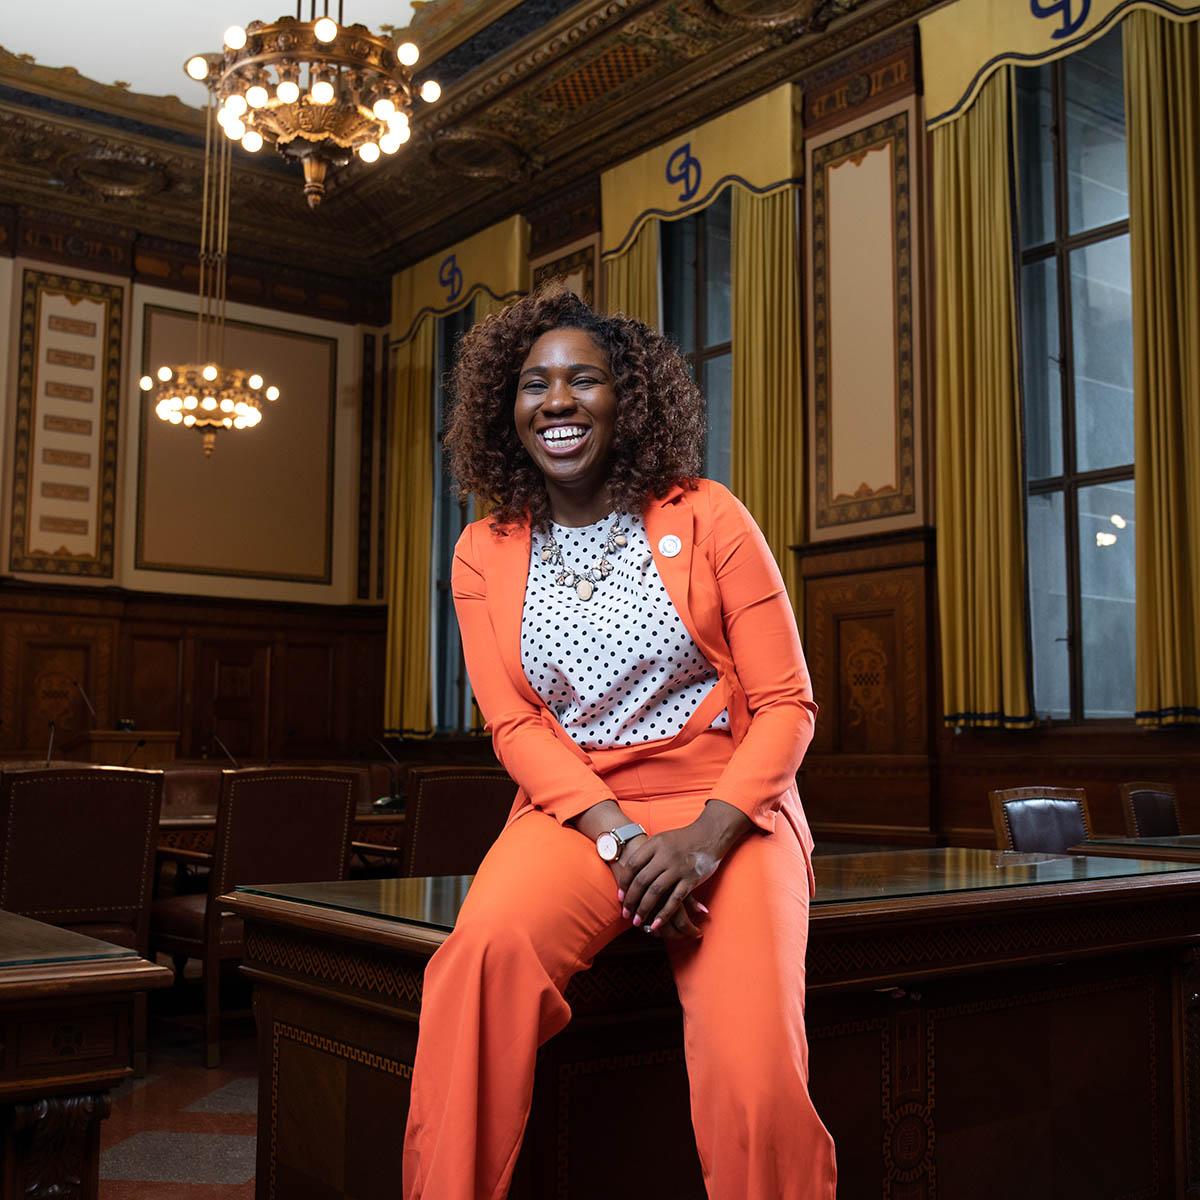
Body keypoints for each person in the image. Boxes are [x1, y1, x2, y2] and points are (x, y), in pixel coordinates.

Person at [402, 286, 837, 1200]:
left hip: (729, 806)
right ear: (505, 410)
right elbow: (515, 724)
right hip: (579, 812)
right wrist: (623, 840)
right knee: (474, 971)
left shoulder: (709, 514)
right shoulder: (483, 549)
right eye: (533, 384)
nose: (556, 401)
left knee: (756, 1072)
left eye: (583, 379)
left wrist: (706, 838)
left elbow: (788, 704)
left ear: (626, 400)